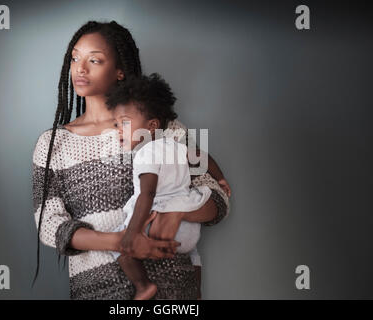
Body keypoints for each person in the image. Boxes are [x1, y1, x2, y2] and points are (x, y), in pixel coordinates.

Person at [31, 20, 231, 299]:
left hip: (170, 290)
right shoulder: (53, 144)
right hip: (96, 292)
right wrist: (122, 242)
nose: (80, 68)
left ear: (120, 71)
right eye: (75, 57)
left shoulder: (159, 128)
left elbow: (218, 199)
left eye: (95, 60)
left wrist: (177, 213)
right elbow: (48, 223)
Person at [106, 73, 228, 300]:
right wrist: (220, 179)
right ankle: (197, 294)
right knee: (192, 252)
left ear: (151, 126)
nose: (117, 130)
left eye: (123, 123)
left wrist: (132, 233)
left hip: (159, 223)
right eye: (115, 124)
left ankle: (143, 286)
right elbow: (202, 157)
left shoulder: (146, 153)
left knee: (119, 249)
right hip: (187, 226)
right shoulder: (175, 145)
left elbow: (147, 193)